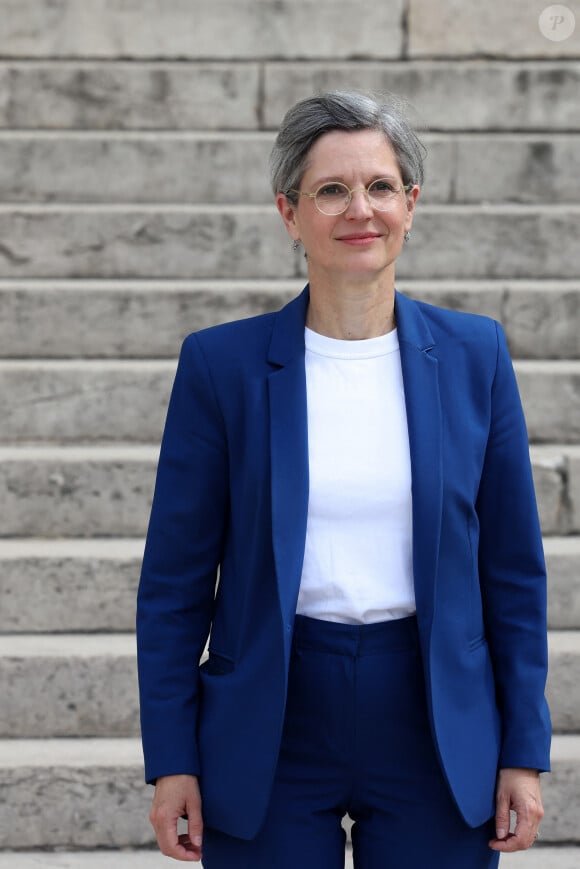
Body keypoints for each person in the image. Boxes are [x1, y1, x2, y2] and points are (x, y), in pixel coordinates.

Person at [136, 90, 551, 868]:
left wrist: (523, 749)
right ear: (289, 212)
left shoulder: (475, 356)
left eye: (380, 186)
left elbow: (515, 573)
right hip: (272, 717)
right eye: (331, 190)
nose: (360, 209)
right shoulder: (221, 367)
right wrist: (173, 757)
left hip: (433, 716)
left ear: (412, 204)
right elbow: (173, 583)